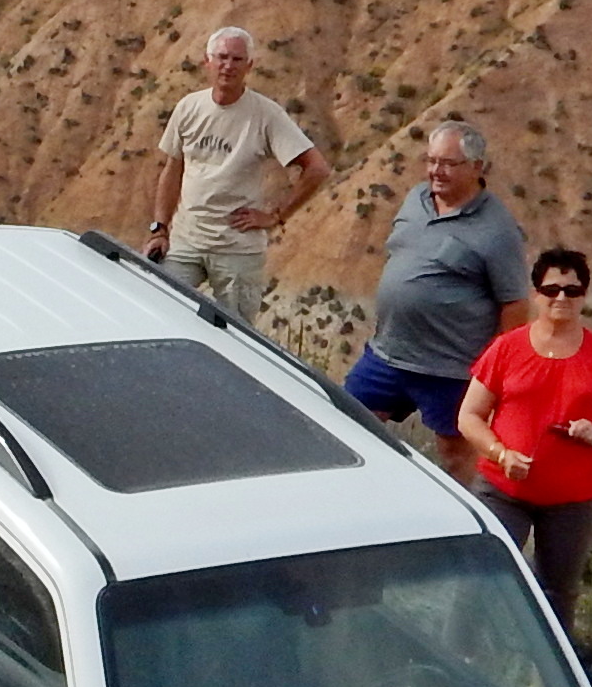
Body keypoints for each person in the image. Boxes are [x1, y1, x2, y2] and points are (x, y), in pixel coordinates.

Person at [459, 247, 592, 630]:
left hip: (574, 500)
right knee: (480, 578)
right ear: (537, 293)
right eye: (552, 289)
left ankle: (554, 674)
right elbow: (469, 416)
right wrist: (501, 453)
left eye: (572, 291)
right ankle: (459, 657)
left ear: (584, 296)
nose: (561, 298)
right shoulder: (507, 348)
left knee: (558, 590)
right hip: (503, 490)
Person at [343, 117, 530, 466]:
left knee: (456, 453)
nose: (436, 171)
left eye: (447, 163)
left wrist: (497, 376)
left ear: (476, 167)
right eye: (431, 161)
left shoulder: (497, 230)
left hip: (451, 369)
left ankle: (461, 517)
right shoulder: (416, 198)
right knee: (347, 425)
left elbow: (516, 305)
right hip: (387, 355)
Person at [145, 25, 323, 321]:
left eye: (237, 59)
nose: (228, 66)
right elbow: (172, 169)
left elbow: (316, 168)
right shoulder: (188, 108)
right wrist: (160, 228)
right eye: (222, 57)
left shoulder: (266, 115)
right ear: (208, 61)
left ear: (249, 65)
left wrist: (276, 216)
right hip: (186, 241)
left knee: (235, 334)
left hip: (237, 249)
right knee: (162, 314)